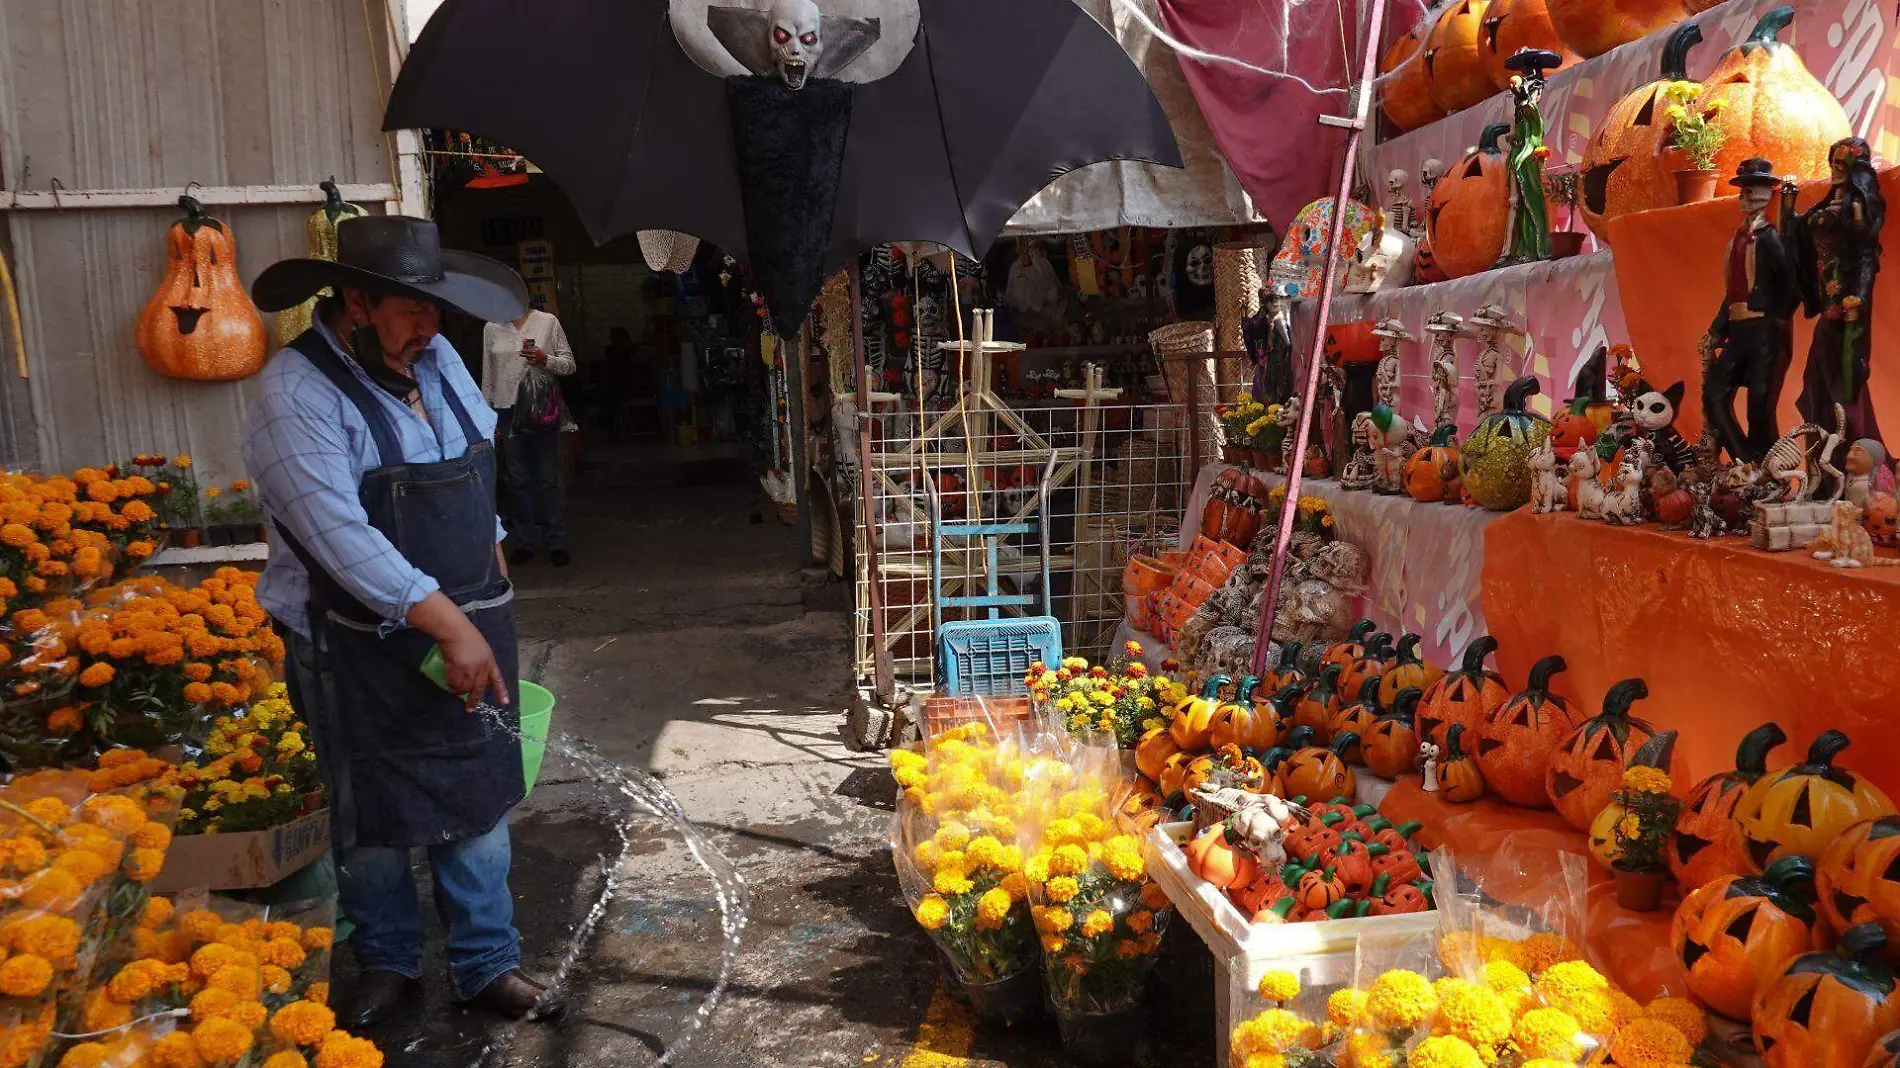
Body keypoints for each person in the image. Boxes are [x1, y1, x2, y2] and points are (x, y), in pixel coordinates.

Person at [243, 216, 561, 1028]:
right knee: (370, 815)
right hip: (352, 643)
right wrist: (448, 624)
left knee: (479, 799)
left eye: (434, 309)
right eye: (412, 310)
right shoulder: (295, 391)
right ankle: (385, 961)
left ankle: (487, 962)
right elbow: (335, 533)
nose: (431, 326)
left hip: (466, 620)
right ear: (356, 301)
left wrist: (490, 571)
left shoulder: (441, 360)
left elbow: (471, 473)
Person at [1702, 158, 1801, 462]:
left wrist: (1778, 318)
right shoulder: (1736, 240)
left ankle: (1767, 468)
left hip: (1765, 331)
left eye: (1752, 190)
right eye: (1742, 191)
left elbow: (1793, 281)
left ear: (1768, 193)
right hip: (1739, 329)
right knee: (1714, 393)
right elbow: (1732, 292)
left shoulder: (1771, 238)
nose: (1746, 197)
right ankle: (1745, 459)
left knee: (1759, 406)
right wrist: (1717, 330)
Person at [482, 305, 576, 567]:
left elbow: (569, 365)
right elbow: (488, 377)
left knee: (546, 479)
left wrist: (545, 359)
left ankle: (555, 542)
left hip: (541, 410)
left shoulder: (547, 322)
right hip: (507, 412)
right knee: (518, 481)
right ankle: (524, 543)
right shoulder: (492, 325)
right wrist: (486, 417)